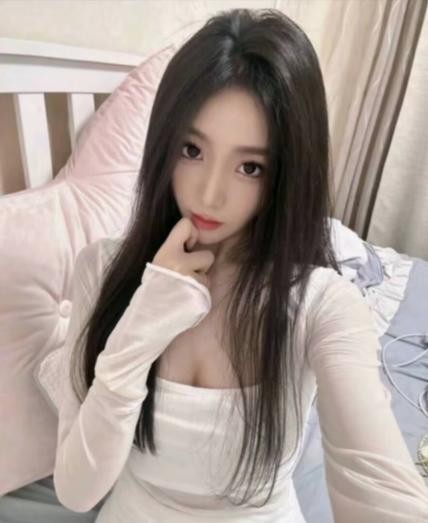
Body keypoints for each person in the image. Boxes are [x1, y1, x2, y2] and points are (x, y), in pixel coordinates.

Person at [53, 7, 428, 523]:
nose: (209, 194)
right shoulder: (101, 269)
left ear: (286, 174)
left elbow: (376, 484)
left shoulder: (320, 303)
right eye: (192, 149)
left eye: (250, 167)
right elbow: (76, 491)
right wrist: (141, 324)